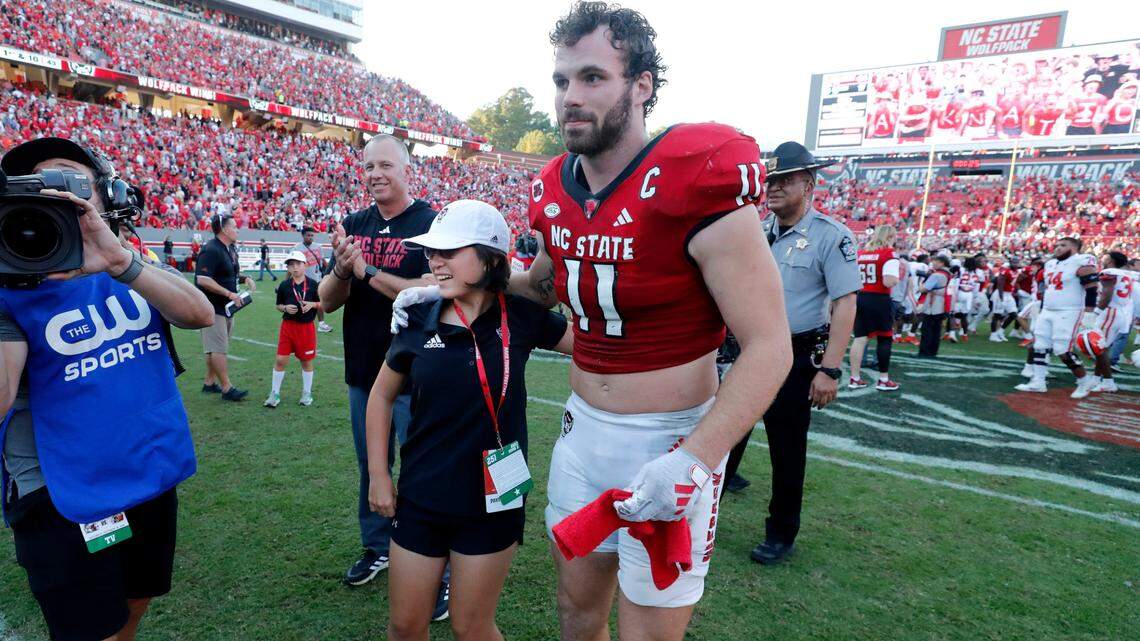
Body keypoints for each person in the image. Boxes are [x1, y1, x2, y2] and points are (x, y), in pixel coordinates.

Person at [394, 6, 790, 637]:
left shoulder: (695, 171)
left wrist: (694, 460)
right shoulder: (555, 186)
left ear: (642, 85)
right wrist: (437, 289)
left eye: (592, 77)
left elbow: (770, 347)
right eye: (561, 81)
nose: (570, 97)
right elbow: (542, 287)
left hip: (670, 444)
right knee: (577, 619)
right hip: (582, 436)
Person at [0, 137, 214, 641]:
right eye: (38, 185)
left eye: (71, 181)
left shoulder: (128, 263)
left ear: (106, 196)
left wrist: (120, 262)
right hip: (61, 490)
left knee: (135, 601)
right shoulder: (9, 289)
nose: (56, 195)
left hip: (147, 468)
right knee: (88, 629)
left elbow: (199, 313)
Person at [367, 200, 572, 641]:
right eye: (431, 252)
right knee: (404, 627)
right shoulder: (416, 317)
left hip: (495, 501)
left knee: (472, 627)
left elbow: (597, 341)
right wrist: (380, 476)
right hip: (422, 495)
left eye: (450, 250)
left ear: (490, 258)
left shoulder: (522, 317)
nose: (435, 261)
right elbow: (380, 397)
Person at [317, 134, 448, 618]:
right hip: (363, 371)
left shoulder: (431, 223)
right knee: (371, 468)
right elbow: (328, 300)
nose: (375, 173)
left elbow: (430, 290)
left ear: (406, 169)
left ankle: (435, 564)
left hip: (418, 372)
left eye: (385, 164)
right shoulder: (355, 224)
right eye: (369, 165)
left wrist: (366, 269)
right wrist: (342, 268)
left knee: (422, 472)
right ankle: (377, 547)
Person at [738, 141, 859, 564]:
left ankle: (781, 532)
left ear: (807, 185)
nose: (771, 188)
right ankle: (707, 505)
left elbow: (846, 303)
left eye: (783, 180)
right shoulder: (755, 229)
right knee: (726, 427)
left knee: (786, 449)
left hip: (794, 353)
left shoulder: (832, 236)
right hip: (747, 348)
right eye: (769, 180)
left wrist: (830, 370)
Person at [1015, 237, 1099, 398]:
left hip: (1069, 310)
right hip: (1048, 309)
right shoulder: (1051, 264)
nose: (1058, 248)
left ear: (1074, 248)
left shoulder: (1082, 261)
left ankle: (1084, 380)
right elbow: (1048, 288)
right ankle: (1038, 382)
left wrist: (1089, 313)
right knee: (1039, 345)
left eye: (1063, 245)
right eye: (1057, 245)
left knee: (1062, 350)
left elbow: (1092, 289)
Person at [194, 213, 255, 401]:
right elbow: (202, 279)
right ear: (224, 229)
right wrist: (229, 294)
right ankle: (227, 388)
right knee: (219, 348)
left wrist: (245, 278)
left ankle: (210, 382)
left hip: (228, 307)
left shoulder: (230, 248)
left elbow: (230, 273)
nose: (237, 230)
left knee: (217, 347)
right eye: (235, 227)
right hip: (213, 307)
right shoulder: (211, 249)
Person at [265, 251, 322, 408]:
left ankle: (306, 393)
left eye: (298, 264)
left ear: (305, 265)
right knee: (280, 360)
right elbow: (278, 305)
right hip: (288, 327)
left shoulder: (313, 284)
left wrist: (312, 304)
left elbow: (323, 303)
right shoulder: (284, 285)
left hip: (306, 328)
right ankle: (274, 393)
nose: (295, 267)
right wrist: (284, 308)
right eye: (291, 265)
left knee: (306, 361)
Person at [848, 225, 901, 391]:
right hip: (879, 299)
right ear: (890, 236)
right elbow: (888, 281)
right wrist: (896, 280)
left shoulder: (862, 254)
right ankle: (884, 379)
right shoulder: (889, 254)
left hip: (861, 296)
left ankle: (855, 378)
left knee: (860, 338)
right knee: (884, 338)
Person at [1088, 251, 1133, 393]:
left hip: (1110, 312)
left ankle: (1108, 381)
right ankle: (1096, 378)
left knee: (1099, 348)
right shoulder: (1125, 274)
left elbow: (1107, 292)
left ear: (1111, 260)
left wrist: (1096, 312)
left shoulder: (1109, 272)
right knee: (1102, 348)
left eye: (1105, 257)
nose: (1103, 258)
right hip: (1119, 312)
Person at [293, 226, 332, 332]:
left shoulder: (318, 247)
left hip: (317, 279)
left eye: (312, 235)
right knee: (302, 303)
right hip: (302, 280)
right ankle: (300, 324)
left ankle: (321, 324)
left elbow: (323, 261)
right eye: (308, 235)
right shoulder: (297, 248)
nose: (310, 237)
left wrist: (330, 272)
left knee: (319, 302)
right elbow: (292, 266)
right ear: (303, 236)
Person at [917, 255, 952, 358]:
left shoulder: (937, 275)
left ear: (942, 263)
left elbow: (924, 289)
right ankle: (933, 351)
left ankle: (924, 352)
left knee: (927, 329)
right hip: (942, 303)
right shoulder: (948, 273)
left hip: (933, 305)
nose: (933, 263)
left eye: (935, 261)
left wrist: (920, 284)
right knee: (936, 330)